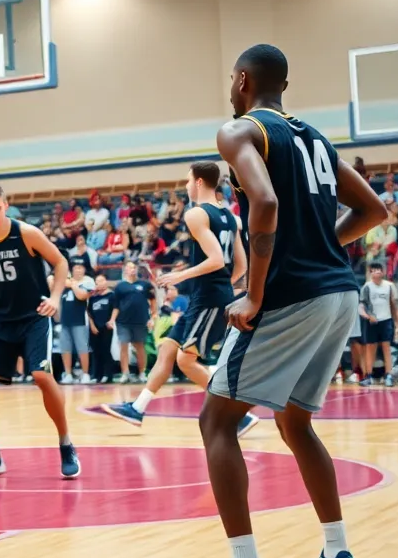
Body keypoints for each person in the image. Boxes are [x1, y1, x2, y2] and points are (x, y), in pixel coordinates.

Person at [188, 44, 386, 558]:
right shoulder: (315, 138)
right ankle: (337, 557)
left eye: (232, 78)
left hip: (292, 295)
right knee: (295, 422)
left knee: (216, 419)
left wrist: (254, 291)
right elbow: (374, 211)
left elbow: (267, 201)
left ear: (244, 80)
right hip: (338, 294)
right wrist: (321, 248)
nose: (230, 86)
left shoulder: (238, 131)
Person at [103, 163, 257, 435]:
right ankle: (137, 408)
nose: (186, 186)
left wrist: (180, 276)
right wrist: (223, 286)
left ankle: (238, 413)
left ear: (199, 182)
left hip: (208, 299)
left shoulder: (196, 214)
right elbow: (241, 266)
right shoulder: (232, 218)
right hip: (209, 295)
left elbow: (216, 259)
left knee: (186, 361)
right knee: (167, 351)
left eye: (188, 180)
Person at [0, 183, 78, 479]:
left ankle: (66, 444)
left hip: (34, 316)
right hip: (0, 318)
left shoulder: (26, 233)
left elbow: (60, 262)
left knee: (40, 376)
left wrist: (56, 297)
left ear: (6, 205)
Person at [110, 261, 157, 383]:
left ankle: (142, 373)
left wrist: (153, 318)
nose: (132, 269)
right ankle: (125, 374)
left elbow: (153, 302)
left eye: (134, 267)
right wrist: (112, 319)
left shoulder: (145, 285)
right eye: (129, 267)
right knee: (123, 346)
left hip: (141, 321)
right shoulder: (120, 286)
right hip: (123, 322)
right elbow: (116, 305)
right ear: (125, 270)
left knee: (140, 347)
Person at [357, 263, 398, 386]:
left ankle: (388, 375)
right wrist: (367, 316)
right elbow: (361, 306)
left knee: (386, 347)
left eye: (379, 270)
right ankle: (368, 376)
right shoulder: (366, 287)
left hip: (386, 320)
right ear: (370, 273)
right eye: (374, 270)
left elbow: (394, 306)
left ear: (383, 272)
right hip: (371, 322)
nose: (376, 272)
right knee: (370, 348)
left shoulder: (389, 286)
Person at [58, 262, 94, 383]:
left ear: (84, 270)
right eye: (75, 268)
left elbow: (81, 296)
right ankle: (68, 374)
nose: (78, 270)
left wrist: (73, 285)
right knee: (65, 348)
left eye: (80, 268)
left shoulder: (87, 282)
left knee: (82, 348)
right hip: (65, 320)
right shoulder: (65, 283)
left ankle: (85, 374)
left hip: (80, 320)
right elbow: (53, 282)